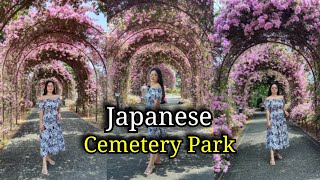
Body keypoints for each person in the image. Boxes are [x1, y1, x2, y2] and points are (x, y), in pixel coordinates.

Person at [38, 81, 65, 175]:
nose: (50, 87)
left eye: (52, 86)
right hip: (46, 123)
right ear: (46, 87)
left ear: (53, 87)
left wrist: (59, 114)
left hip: (55, 123)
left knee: (52, 141)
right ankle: (44, 166)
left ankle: (48, 157)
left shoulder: (57, 97)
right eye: (48, 85)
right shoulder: (42, 98)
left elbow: (58, 108)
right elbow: (41, 112)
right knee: (44, 141)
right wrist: (40, 123)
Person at [144, 68, 167, 175]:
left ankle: (150, 165)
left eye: (155, 75)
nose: (152, 76)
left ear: (158, 77)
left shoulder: (157, 87)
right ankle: (157, 159)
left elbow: (156, 104)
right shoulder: (152, 86)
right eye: (151, 74)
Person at [264, 83, 289, 166]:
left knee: (279, 136)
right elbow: (267, 111)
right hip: (273, 119)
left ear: (277, 89)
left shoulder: (281, 97)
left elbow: (282, 107)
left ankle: (276, 153)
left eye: (276, 88)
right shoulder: (268, 99)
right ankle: (272, 157)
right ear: (270, 89)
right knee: (272, 137)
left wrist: (285, 111)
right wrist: (268, 121)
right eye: (272, 88)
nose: (274, 89)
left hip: (281, 120)